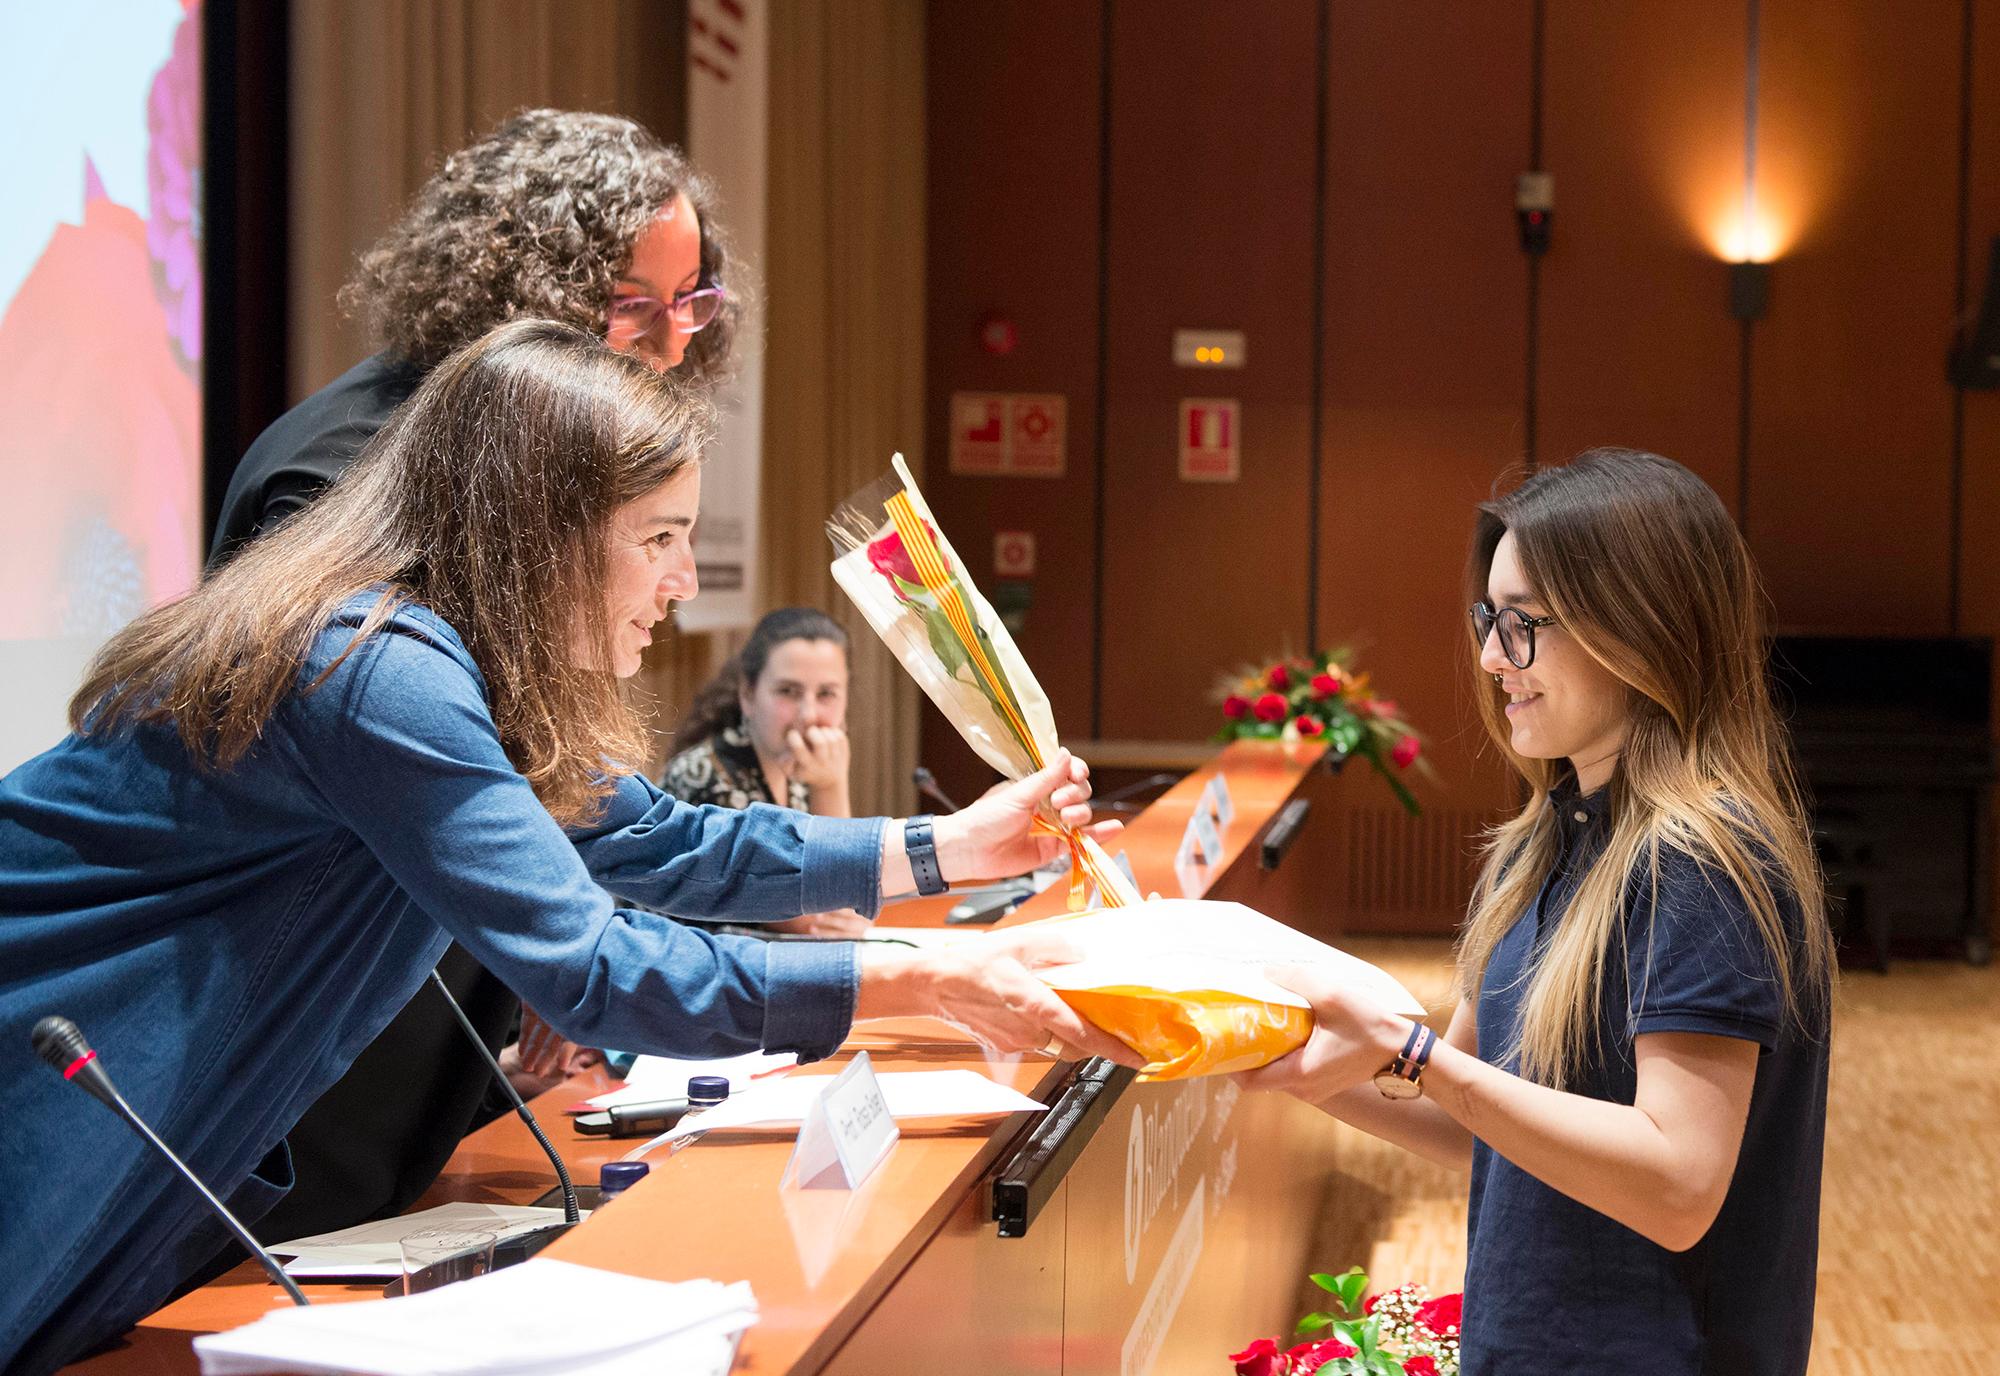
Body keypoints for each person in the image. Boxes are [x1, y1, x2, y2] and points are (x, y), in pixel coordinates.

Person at [0, 321, 1134, 1376]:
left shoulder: (448, 660)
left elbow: (660, 840)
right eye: (659, 539)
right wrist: (930, 973)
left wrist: (948, 846)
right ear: (536, 535)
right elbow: (594, 968)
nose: (682, 583)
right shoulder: (371, 667)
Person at [207, 109, 742, 1244]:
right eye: (630, 306)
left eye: (689, 304)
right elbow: (459, 788)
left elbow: (584, 803)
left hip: (422, 1001)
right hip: (310, 1039)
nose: (666, 346)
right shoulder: (347, 477)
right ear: (521, 291)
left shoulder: (510, 465)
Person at [1243, 449, 1835, 1376]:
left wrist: (1413, 1055)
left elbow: (1678, 1183)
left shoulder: (1705, 864)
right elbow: (1476, 1118)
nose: (1491, 658)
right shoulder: (1544, 842)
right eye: (1490, 619)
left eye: (1523, 626)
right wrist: (1271, 1057)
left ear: (1639, 631)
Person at [663, 606, 867, 937]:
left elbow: (846, 898)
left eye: (826, 693)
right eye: (788, 691)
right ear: (747, 695)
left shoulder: (797, 769)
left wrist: (831, 780)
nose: (808, 714)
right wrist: (832, 786)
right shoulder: (706, 777)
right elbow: (820, 914)